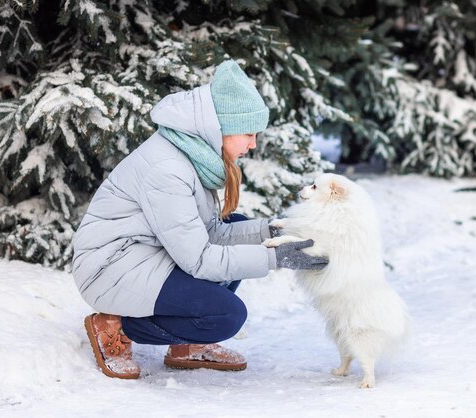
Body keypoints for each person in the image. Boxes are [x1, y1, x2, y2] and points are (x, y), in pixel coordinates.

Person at [71, 60, 328, 379]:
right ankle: (114, 324)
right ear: (218, 127)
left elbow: (212, 232)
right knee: (225, 316)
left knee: (243, 227)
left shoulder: (194, 154)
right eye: (248, 133)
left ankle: (186, 345)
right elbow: (200, 259)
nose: (253, 144)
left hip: (148, 256)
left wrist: (275, 230)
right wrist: (274, 257)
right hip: (111, 268)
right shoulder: (167, 170)